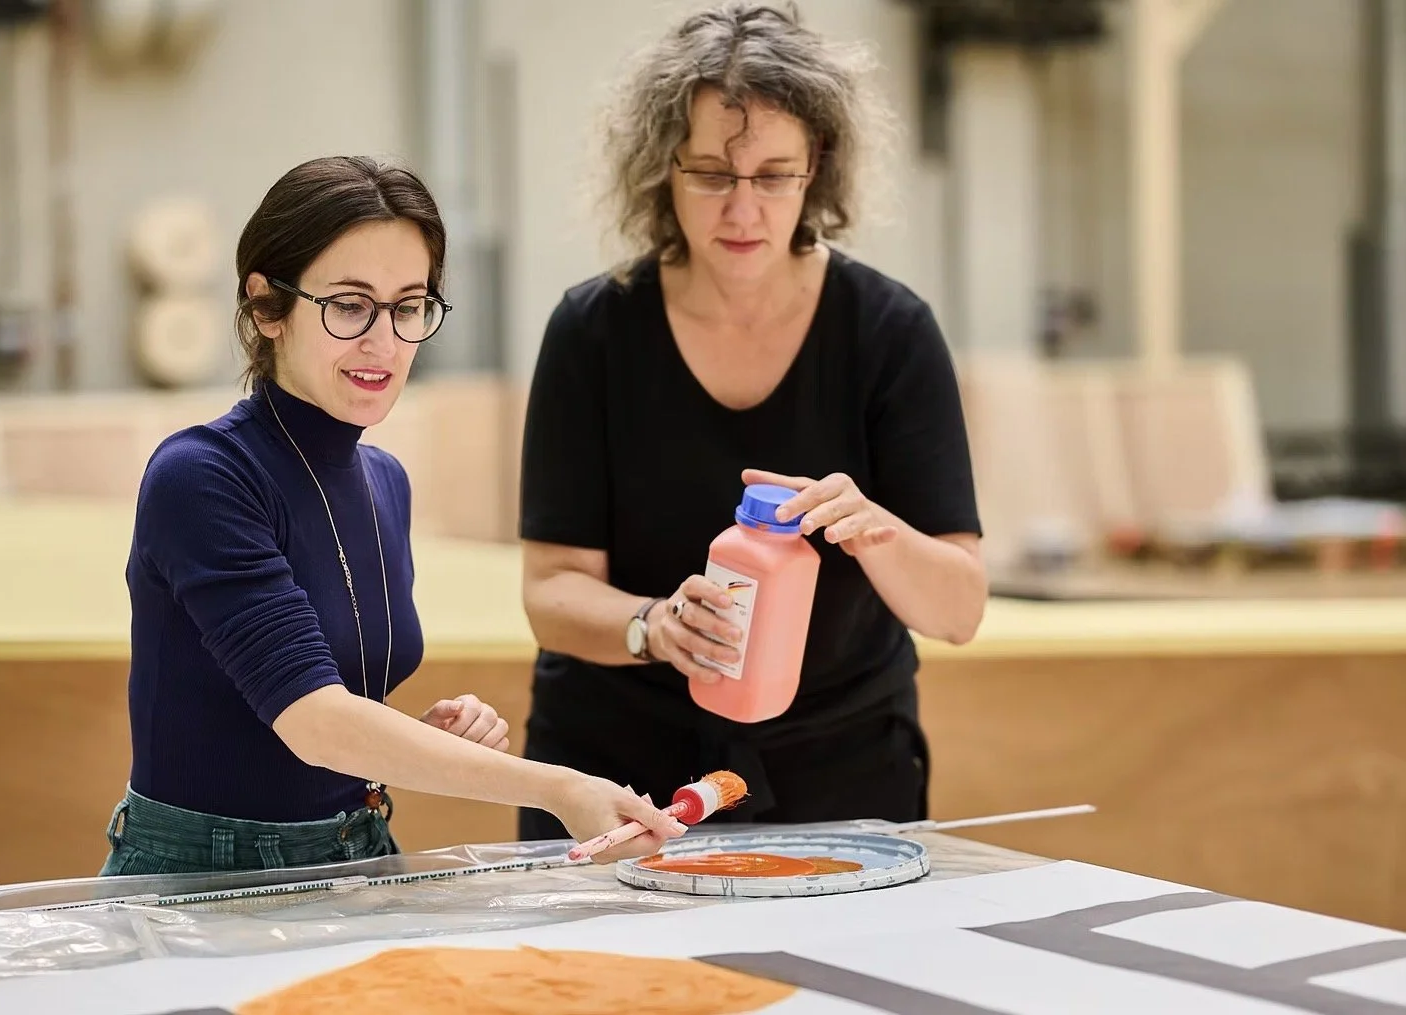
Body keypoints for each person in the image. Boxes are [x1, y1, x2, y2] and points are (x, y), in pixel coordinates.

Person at [99, 156, 684, 877]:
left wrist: (426, 736)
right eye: (349, 305)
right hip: (205, 873)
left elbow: (333, 710)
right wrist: (559, 788)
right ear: (267, 306)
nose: (383, 343)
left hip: (357, 847)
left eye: (408, 307)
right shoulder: (202, 475)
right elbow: (314, 721)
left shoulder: (384, 481)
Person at [516, 2, 987, 841]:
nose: (742, 210)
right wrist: (652, 626)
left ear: (817, 170)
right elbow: (551, 590)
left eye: (773, 176)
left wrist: (873, 529)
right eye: (710, 174)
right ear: (661, 168)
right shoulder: (593, 331)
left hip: (839, 761)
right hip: (613, 761)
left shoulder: (888, 330)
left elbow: (958, 610)